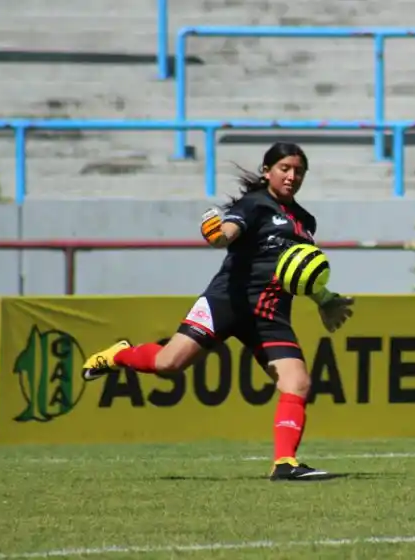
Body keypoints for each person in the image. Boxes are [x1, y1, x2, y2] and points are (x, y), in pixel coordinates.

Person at [80, 142, 355, 481]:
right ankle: (120, 355)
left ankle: (285, 463)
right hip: (226, 301)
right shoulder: (254, 204)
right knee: (169, 364)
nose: (292, 176)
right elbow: (227, 233)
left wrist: (324, 300)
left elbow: (298, 270)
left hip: (269, 314)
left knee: (297, 383)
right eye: (285, 168)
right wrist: (216, 235)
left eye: (298, 170)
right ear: (267, 171)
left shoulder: (305, 221)